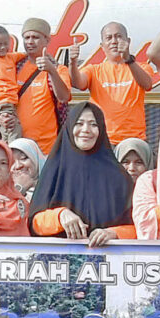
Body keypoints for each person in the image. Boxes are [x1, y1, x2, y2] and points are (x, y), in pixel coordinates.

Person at [30, 103, 135, 244]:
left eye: (93, 124)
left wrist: (114, 233)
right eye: (79, 123)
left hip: (108, 256)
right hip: (58, 256)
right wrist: (59, 216)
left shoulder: (119, 177)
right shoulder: (55, 171)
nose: (86, 130)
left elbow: (138, 226)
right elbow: (34, 223)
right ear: (69, 127)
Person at [63, 22, 159, 146]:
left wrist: (128, 59)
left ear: (128, 41)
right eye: (109, 38)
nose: (114, 41)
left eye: (118, 36)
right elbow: (78, 83)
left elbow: (147, 84)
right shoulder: (94, 70)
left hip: (133, 140)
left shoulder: (141, 67)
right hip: (101, 140)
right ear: (102, 46)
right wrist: (72, 62)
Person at [0, 18, 72, 151]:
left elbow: (64, 97)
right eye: (26, 37)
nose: (30, 42)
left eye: (35, 37)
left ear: (47, 40)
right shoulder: (14, 66)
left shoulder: (58, 69)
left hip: (45, 148)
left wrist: (51, 71)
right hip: (16, 145)